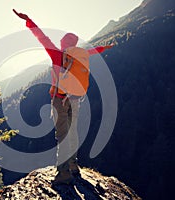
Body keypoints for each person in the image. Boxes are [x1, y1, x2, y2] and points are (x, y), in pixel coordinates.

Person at [13, 9, 113, 185]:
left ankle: (63, 174)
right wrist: (105, 48)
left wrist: (29, 20)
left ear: (64, 42)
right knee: (72, 133)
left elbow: (41, 37)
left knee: (62, 136)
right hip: (76, 99)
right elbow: (93, 51)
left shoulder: (57, 54)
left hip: (60, 99)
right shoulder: (80, 54)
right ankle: (73, 165)